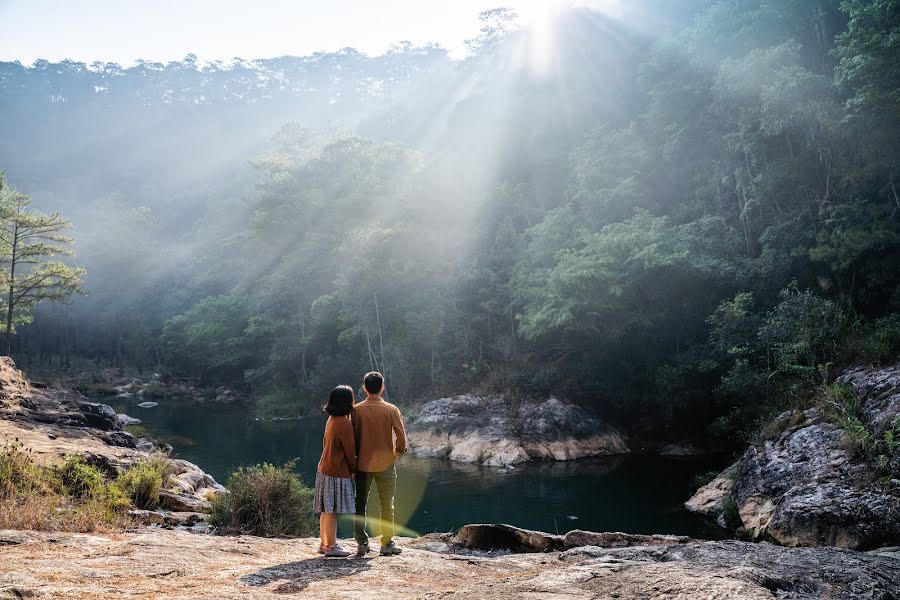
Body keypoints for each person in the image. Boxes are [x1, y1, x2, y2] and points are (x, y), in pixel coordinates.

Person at [353, 371, 407, 556]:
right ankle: (386, 543)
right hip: (386, 464)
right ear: (382, 388)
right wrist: (397, 453)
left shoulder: (356, 410)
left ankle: (361, 543)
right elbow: (401, 437)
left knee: (360, 503)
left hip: (362, 464)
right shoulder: (391, 410)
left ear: (364, 388)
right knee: (387, 504)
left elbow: (350, 437)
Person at [314, 385, 357, 558]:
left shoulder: (331, 419)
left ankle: (324, 544)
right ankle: (331, 547)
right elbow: (350, 450)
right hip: (335, 471)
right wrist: (354, 470)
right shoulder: (344, 423)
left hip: (324, 468)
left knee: (326, 509)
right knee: (331, 510)